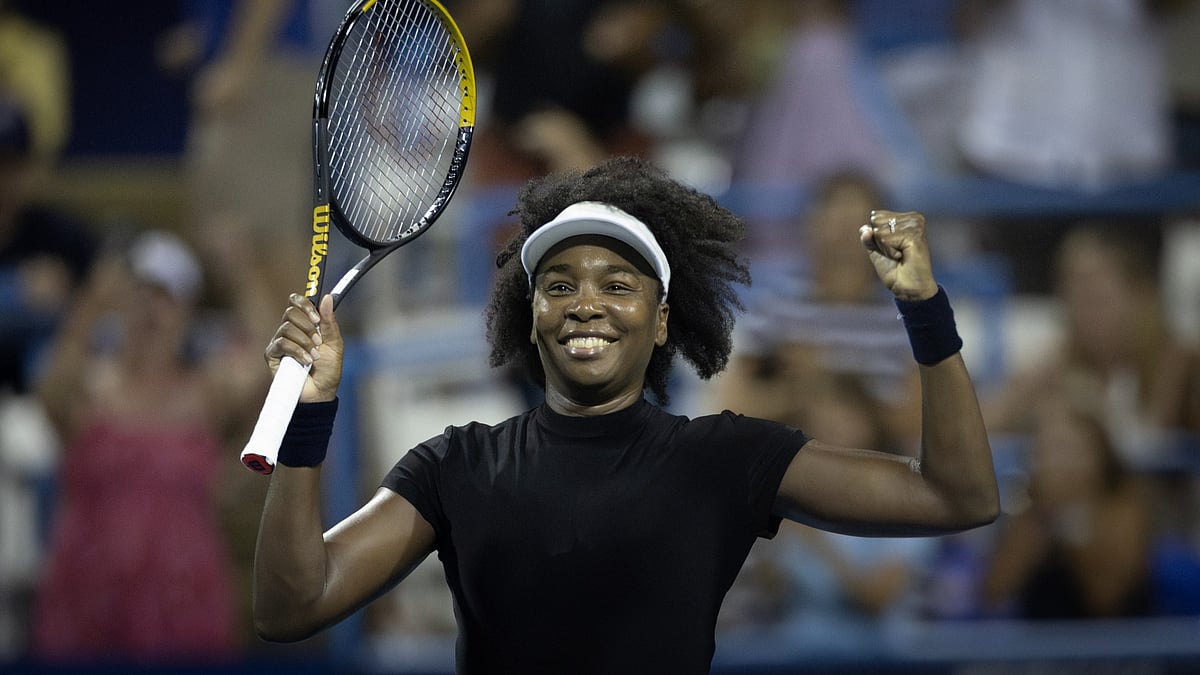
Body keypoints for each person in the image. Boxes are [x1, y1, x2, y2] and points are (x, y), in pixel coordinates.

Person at [250, 156, 999, 673]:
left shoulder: (723, 458)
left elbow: (958, 495)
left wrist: (923, 310)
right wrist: (309, 416)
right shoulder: (454, 465)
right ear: (531, 310)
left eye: (617, 283)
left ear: (663, 319)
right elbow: (292, 604)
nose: (586, 303)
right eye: (561, 283)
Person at [28, 230, 246, 664]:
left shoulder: (208, 392)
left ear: (187, 310)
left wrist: (240, 273)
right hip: (87, 595)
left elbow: (277, 369)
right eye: (140, 294)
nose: (151, 308)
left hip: (184, 599)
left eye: (164, 296)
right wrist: (90, 304)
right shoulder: (89, 387)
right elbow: (49, 391)